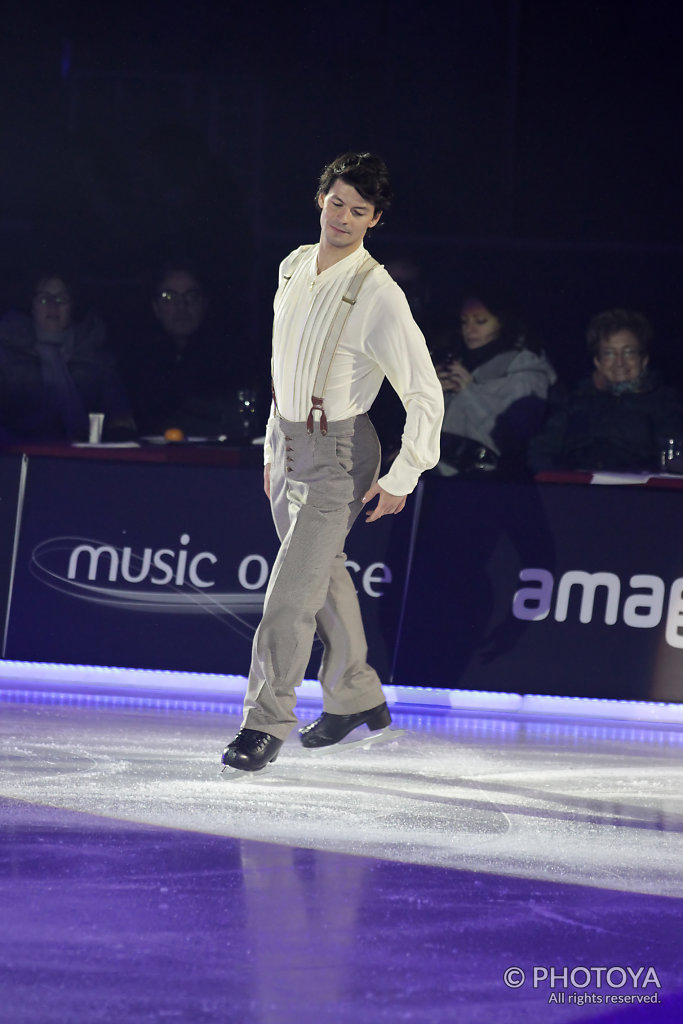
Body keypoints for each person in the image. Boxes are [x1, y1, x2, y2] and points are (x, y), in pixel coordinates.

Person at [222, 152, 444, 772]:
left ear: (375, 220)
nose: (344, 217)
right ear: (321, 199)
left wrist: (404, 475)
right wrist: (273, 443)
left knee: (290, 595)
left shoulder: (379, 294)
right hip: (287, 442)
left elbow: (425, 392)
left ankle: (264, 723)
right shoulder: (293, 265)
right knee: (322, 578)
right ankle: (356, 697)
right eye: (337, 203)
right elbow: (282, 364)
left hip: (340, 454)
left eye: (359, 211)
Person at [528, 308, 683, 473]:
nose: (620, 362)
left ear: (644, 360)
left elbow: (671, 457)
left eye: (629, 353)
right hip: (578, 490)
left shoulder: (665, 403)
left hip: (637, 492)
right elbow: (541, 451)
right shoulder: (574, 401)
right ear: (598, 361)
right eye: (609, 354)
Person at [433, 290, 556, 478]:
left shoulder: (527, 372)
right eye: (465, 321)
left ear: (503, 322)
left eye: (481, 321)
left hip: (487, 482)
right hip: (438, 473)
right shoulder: (460, 361)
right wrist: (434, 393)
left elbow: (514, 441)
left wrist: (468, 391)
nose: (470, 329)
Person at [121, 266, 256, 437]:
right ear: (155, 307)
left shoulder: (231, 355)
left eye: (191, 297)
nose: (181, 306)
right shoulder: (137, 358)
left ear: (204, 303)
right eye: (168, 297)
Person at [0, 274, 136, 442]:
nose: (52, 306)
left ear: (72, 306)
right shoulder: (6, 354)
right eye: (44, 299)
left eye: (61, 299)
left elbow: (120, 414)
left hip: (84, 457)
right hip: (20, 456)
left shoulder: (97, 355)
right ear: (32, 306)